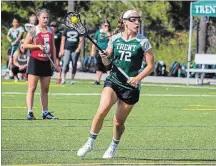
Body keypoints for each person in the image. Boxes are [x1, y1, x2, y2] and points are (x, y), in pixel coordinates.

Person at [77, 9, 155, 159]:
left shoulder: (143, 41)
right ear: (125, 22)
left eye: (138, 19)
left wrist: (137, 78)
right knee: (102, 109)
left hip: (130, 87)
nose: (137, 22)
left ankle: (113, 145)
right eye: (133, 19)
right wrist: (104, 56)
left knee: (118, 122)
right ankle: (90, 142)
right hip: (114, 80)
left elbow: (151, 66)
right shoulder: (115, 39)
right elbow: (107, 63)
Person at [23, 8, 59, 120]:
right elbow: (25, 45)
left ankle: (45, 112)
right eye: (43, 17)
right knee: (32, 88)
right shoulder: (34, 30)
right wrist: (37, 46)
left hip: (46, 62)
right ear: (38, 18)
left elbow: (53, 47)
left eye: (47, 17)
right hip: (35, 61)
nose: (46, 19)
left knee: (45, 89)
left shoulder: (50, 30)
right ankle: (30, 112)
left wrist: (55, 62)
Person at [90, 21, 111, 85]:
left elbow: (112, 40)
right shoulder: (98, 33)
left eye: (108, 26)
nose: (106, 27)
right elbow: (94, 43)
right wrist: (93, 51)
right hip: (99, 52)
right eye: (105, 25)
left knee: (108, 66)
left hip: (107, 52)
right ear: (102, 26)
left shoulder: (109, 33)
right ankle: (97, 80)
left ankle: (109, 80)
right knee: (99, 66)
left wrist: (108, 33)